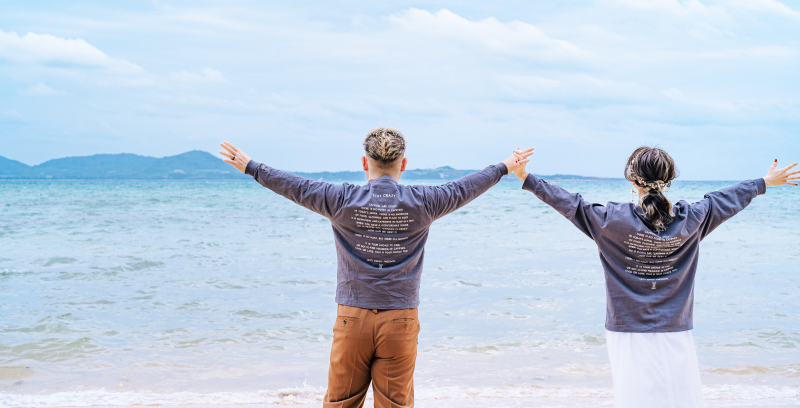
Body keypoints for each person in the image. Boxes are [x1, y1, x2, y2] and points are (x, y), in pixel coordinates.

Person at [220, 128, 532, 408]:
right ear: (404, 164)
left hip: (352, 318)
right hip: (401, 319)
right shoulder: (427, 200)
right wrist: (505, 166)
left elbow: (296, 186)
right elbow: (468, 186)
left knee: (340, 404)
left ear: (364, 163)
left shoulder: (339, 198)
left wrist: (252, 167)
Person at [510, 146, 799, 408]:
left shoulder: (610, 221)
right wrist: (763, 183)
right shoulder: (692, 218)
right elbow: (725, 200)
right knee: (680, 399)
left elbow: (570, 203)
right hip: (677, 329)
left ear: (632, 180)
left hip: (626, 332)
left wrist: (526, 176)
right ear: (669, 179)